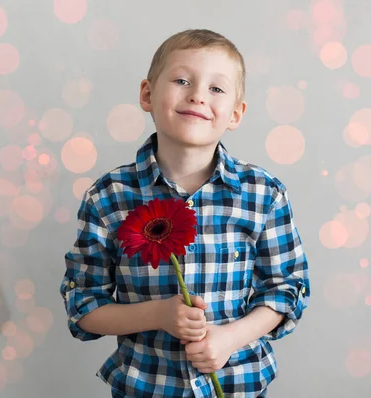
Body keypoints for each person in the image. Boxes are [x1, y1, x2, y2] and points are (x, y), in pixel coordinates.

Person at [59, 28, 310, 397]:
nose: (197, 95)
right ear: (147, 94)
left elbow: (287, 290)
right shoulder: (108, 197)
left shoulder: (264, 195)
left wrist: (228, 339)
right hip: (145, 387)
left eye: (217, 89)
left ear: (236, 113)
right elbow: (83, 306)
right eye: (181, 80)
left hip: (239, 386)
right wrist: (158, 315)